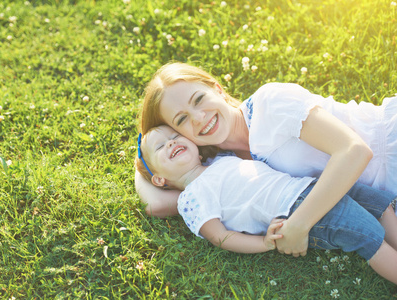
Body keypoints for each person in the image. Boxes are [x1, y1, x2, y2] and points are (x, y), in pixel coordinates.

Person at [135, 61, 397, 257]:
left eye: (200, 99)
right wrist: (144, 159)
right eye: (181, 120)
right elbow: (159, 202)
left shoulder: (268, 104)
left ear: (217, 89)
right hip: (386, 201)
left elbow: (354, 151)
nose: (199, 118)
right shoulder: (222, 166)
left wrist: (298, 225)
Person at [135, 125, 397, 284]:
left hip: (312, 187)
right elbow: (220, 237)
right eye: (161, 146)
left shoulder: (220, 159)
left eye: (175, 136)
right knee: (368, 235)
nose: (171, 142)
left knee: (376, 204)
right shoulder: (190, 199)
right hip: (294, 214)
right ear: (159, 178)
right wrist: (264, 243)